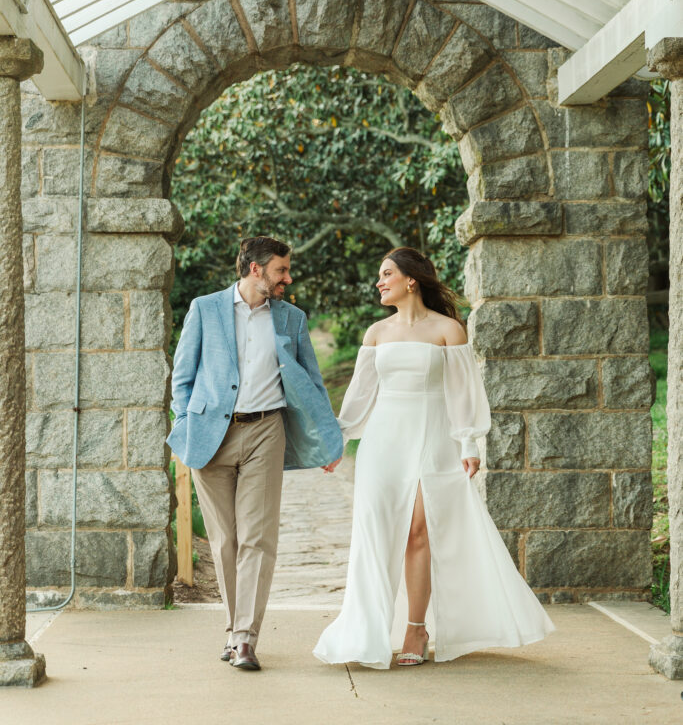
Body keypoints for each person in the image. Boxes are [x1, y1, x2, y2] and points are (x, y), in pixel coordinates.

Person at [314, 247, 554, 669]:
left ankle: (415, 628)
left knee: (418, 533)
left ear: (411, 280)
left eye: (386, 273)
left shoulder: (448, 330)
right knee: (375, 534)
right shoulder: (376, 333)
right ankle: (365, 630)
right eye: (379, 275)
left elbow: (462, 393)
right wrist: (339, 441)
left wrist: (468, 443)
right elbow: (359, 398)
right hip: (383, 443)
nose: (379, 282)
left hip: (433, 439)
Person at [167, 235, 343, 671]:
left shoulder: (291, 318)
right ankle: (233, 631)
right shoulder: (205, 309)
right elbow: (182, 377)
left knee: (257, 539)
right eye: (281, 270)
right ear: (255, 269)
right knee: (225, 540)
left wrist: (327, 437)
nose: (288, 278)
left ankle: (245, 639)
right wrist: (186, 423)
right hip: (212, 434)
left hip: (267, 430)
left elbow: (312, 382)